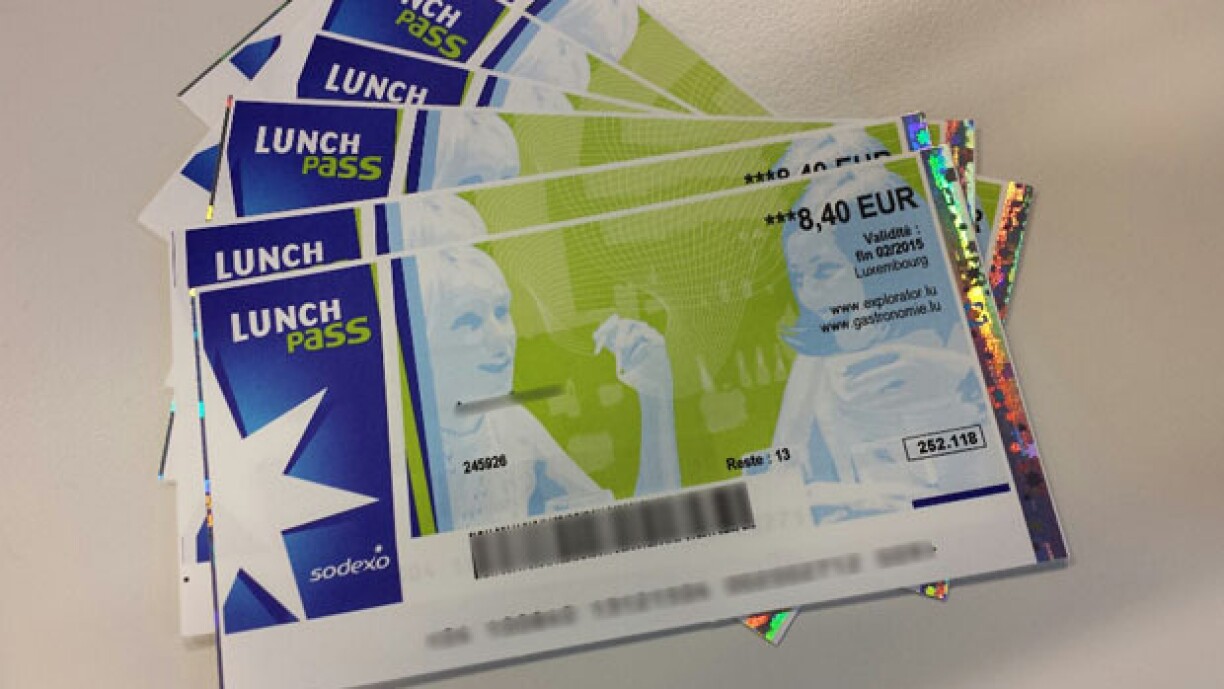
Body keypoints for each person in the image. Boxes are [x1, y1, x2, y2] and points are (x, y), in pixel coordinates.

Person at [767, 160, 997, 524]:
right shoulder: (816, 364)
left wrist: (961, 379)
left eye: (825, 270)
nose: (809, 295)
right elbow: (779, 478)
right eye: (799, 277)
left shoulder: (972, 336)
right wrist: (821, 501)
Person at [413, 245, 681, 531]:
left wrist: (655, 392)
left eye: (501, 311)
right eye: (469, 321)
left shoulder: (509, 424)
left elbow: (645, 530)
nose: (501, 338)